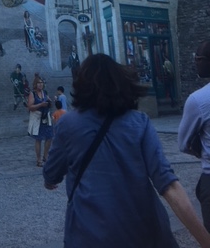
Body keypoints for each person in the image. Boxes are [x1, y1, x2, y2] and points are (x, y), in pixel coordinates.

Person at [44, 54, 210, 248]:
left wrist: (50, 181)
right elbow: (168, 184)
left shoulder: (67, 124)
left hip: (89, 234)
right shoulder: (139, 122)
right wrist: (205, 240)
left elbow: (52, 173)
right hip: (144, 234)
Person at [179, 41, 210, 232]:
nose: (195, 62)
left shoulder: (199, 99)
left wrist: (202, 151)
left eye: (198, 58)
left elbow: (184, 143)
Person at [28, 75, 53, 167]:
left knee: (49, 137)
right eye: (38, 83)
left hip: (46, 118)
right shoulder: (33, 94)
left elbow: (49, 103)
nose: (40, 84)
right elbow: (30, 107)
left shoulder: (44, 92)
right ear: (35, 84)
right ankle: (38, 159)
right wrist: (40, 105)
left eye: (41, 83)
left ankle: (45, 156)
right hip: (38, 119)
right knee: (38, 139)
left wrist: (50, 103)